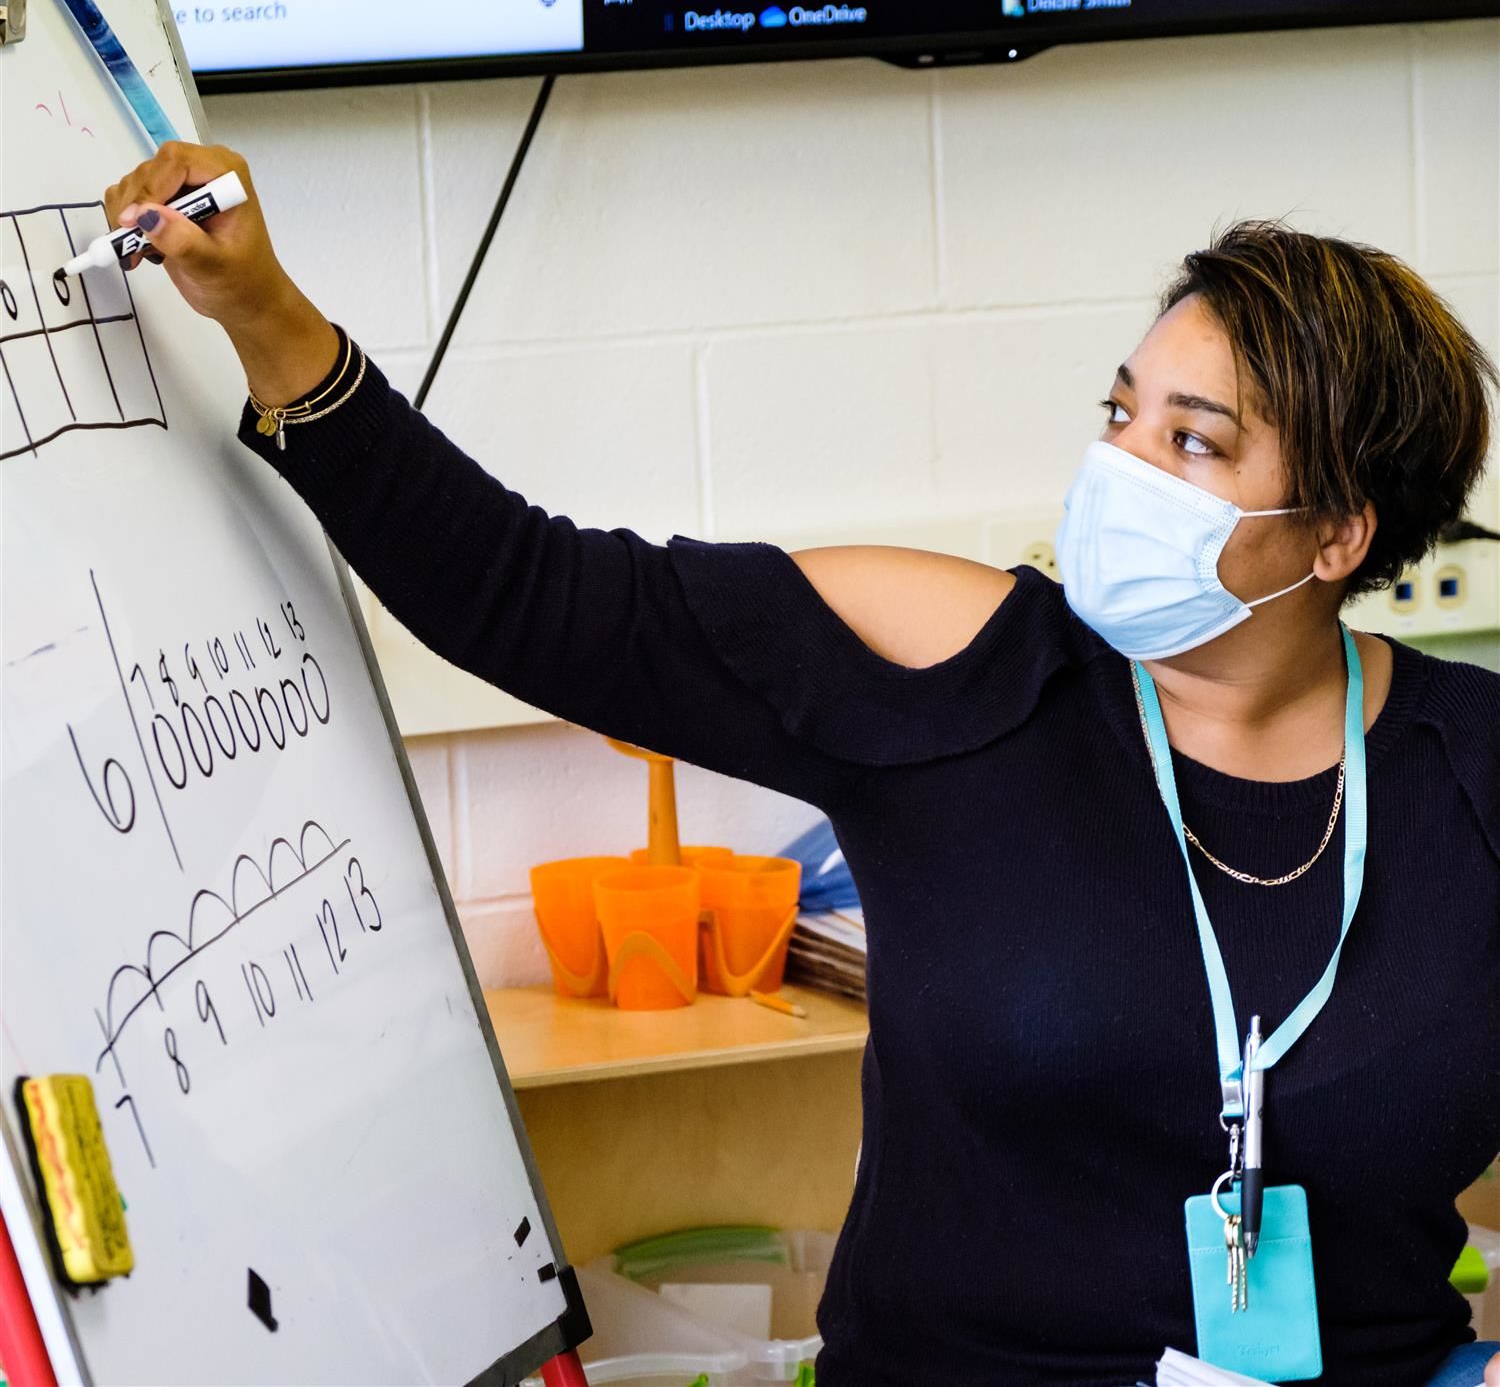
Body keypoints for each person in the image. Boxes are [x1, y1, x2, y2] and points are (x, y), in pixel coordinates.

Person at [106, 142, 1499, 1387]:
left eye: (1193, 443)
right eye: (1123, 411)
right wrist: (272, 324)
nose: (1121, 467)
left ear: (1338, 538)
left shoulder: (1474, 771)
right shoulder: (955, 667)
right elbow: (523, 592)